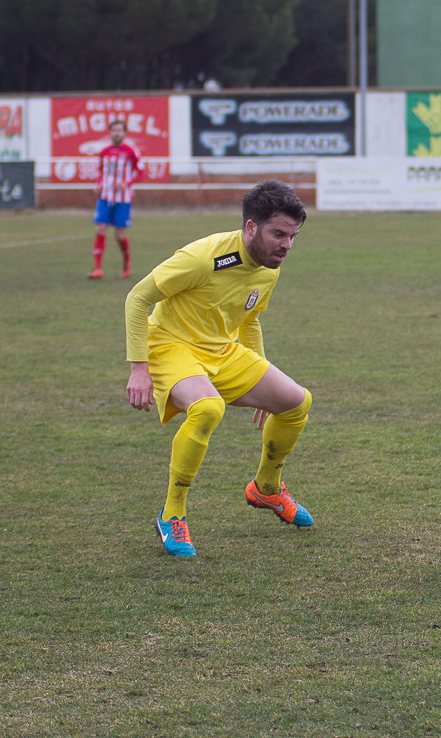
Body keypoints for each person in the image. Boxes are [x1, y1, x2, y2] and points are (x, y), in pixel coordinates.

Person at [124, 180, 315, 558]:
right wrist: (138, 368)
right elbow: (137, 298)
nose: (286, 246)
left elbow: (250, 318)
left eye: (292, 237)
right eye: (278, 234)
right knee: (208, 407)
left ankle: (266, 487)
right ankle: (172, 513)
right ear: (250, 228)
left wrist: (260, 369)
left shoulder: (269, 265)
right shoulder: (202, 258)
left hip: (219, 349)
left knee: (296, 402)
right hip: (169, 345)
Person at [88, 119, 144, 280]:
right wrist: (98, 185)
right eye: (113, 130)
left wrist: (126, 184)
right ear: (109, 132)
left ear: (124, 133)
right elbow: (101, 172)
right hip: (105, 197)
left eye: (119, 130)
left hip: (123, 199)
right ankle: (97, 268)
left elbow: (141, 173)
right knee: (100, 229)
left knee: (119, 235)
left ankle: (127, 261)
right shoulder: (104, 151)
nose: (116, 133)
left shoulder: (130, 151)